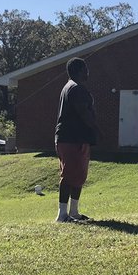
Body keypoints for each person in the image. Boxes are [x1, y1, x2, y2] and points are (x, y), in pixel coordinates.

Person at [54, 57, 98, 223]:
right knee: (69, 175)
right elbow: (84, 113)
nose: (88, 72)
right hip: (71, 138)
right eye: (85, 69)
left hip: (75, 137)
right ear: (78, 70)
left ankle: (74, 212)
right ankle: (62, 214)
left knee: (79, 174)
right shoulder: (76, 88)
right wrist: (98, 130)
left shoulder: (69, 87)